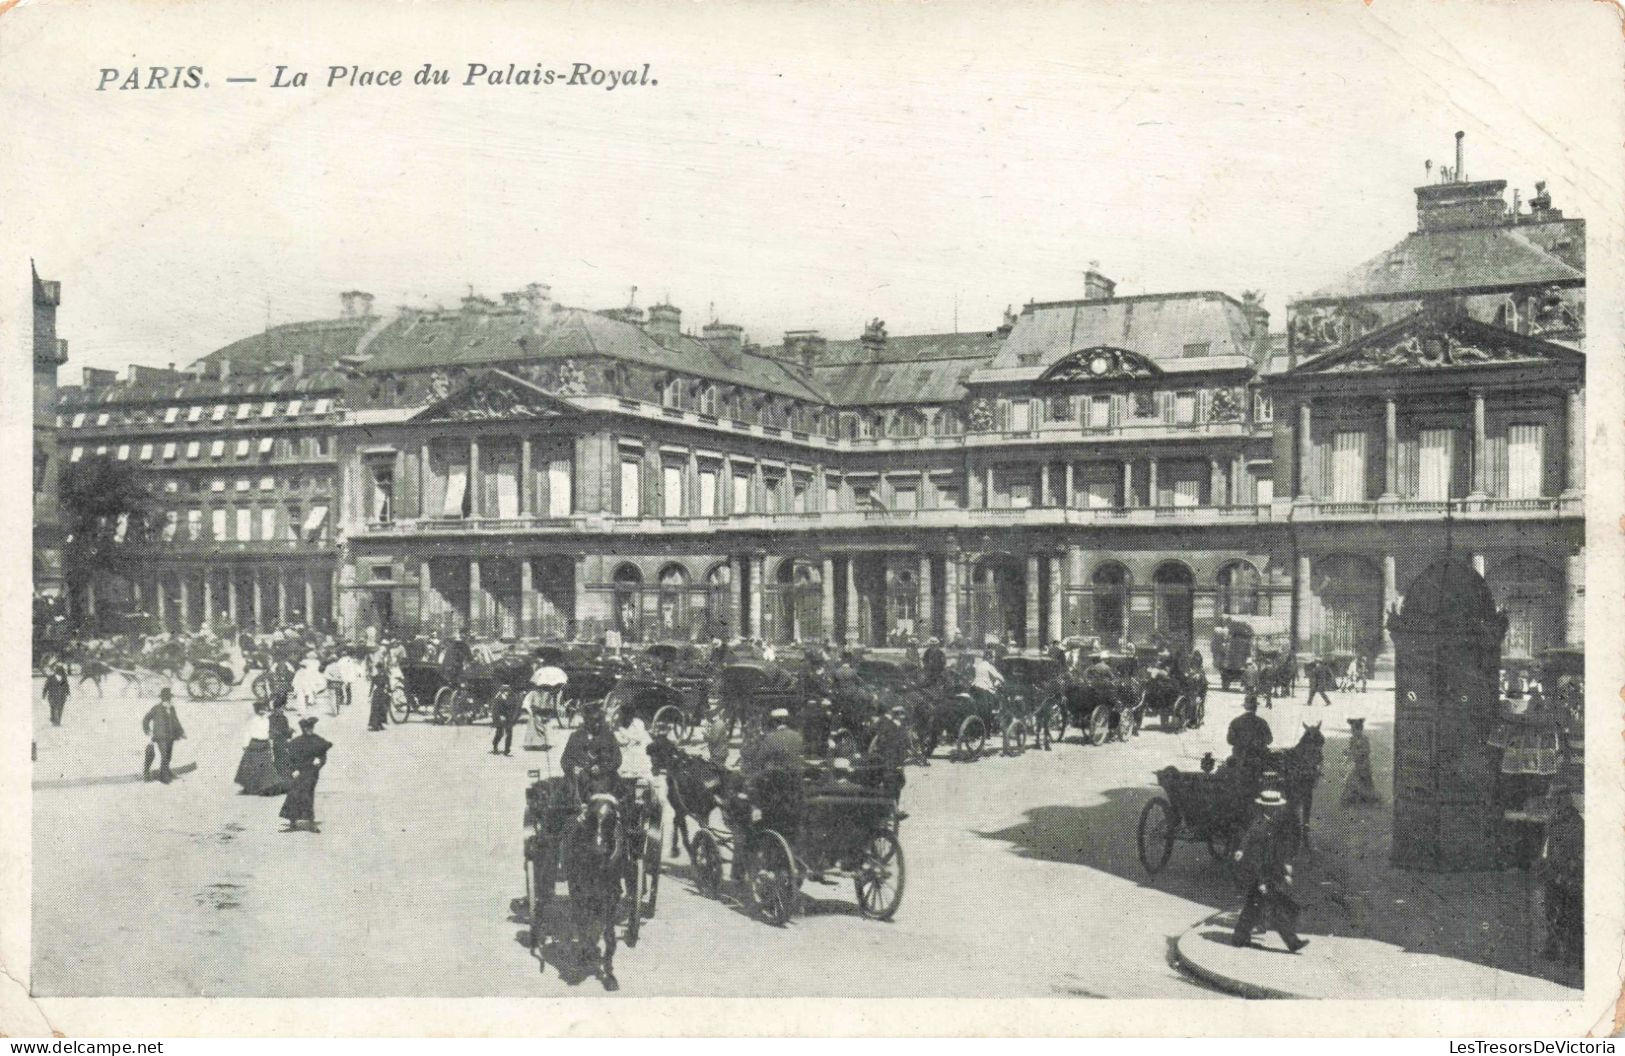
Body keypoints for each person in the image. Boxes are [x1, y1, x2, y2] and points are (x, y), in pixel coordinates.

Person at [1231, 790, 1308, 952]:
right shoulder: (1262, 826)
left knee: (1252, 908)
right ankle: (1292, 942)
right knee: (1273, 909)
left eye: (1276, 807)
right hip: (1259, 875)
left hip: (1265, 873)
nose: (1275, 810)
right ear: (1265, 807)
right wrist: (1261, 882)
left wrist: (1284, 869)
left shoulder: (1268, 823)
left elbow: (1272, 851)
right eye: (1272, 807)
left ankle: (1239, 937)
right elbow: (1257, 858)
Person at [748, 709, 805, 837]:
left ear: (774, 722)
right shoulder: (797, 736)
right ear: (786, 720)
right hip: (796, 781)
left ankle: (756, 816)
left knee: (752, 784)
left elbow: (759, 760)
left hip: (779, 781)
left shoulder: (770, 738)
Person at [560, 700, 622, 799]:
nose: (597, 724)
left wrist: (602, 769)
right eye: (593, 720)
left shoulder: (608, 737)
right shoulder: (575, 736)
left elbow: (617, 759)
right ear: (586, 720)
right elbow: (565, 760)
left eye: (599, 720)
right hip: (579, 781)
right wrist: (573, 768)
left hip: (603, 780)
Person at [279, 716, 332, 832]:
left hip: (311, 772)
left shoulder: (317, 740)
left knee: (308, 795)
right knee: (293, 795)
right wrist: (293, 770)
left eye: (311, 728)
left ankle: (310, 822)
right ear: (303, 729)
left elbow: (323, 753)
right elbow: (289, 758)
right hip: (298, 772)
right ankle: (292, 822)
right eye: (307, 728)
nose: (309, 730)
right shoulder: (296, 742)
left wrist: (319, 763)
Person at [234, 707, 287, 796]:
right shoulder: (252, 720)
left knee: (266, 767)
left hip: (265, 744)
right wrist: (245, 744)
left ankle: (266, 788)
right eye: (260, 710)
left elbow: (270, 732)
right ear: (257, 711)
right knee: (249, 766)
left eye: (264, 710)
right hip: (254, 744)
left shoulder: (267, 720)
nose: (263, 712)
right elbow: (247, 732)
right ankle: (248, 788)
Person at [142, 688, 186, 783]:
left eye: (169, 698)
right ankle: (163, 776)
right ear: (162, 699)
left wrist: (181, 732)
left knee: (168, 756)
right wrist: (147, 730)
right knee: (165, 756)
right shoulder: (156, 708)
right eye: (166, 699)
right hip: (160, 737)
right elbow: (146, 719)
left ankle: (165, 771)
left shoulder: (172, 708)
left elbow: (176, 721)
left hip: (171, 737)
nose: (168, 701)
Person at [869, 704, 910, 803]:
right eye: (901, 714)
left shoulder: (884, 724)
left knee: (885, 783)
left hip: (882, 758)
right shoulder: (899, 727)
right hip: (893, 760)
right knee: (895, 784)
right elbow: (904, 744)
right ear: (898, 715)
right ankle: (893, 809)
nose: (903, 717)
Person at [1226, 696, 1273, 772]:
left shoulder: (1235, 722)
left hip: (1239, 758)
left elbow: (1230, 740)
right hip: (1258, 758)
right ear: (1256, 708)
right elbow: (1269, 740)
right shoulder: (1262, 722)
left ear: (1245, 707)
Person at [1341, 717, 1380, 805]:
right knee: (1350, 782)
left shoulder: (1364, 739)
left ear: (1360, 730)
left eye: (1355, 730)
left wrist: (1353, 752)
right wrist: (1347, 753)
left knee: (1365, 783)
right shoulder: (1352, 739)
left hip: (1363, 765)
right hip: (1355, 765)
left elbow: (1366, 751)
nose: (1353, 732)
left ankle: (1368, 799)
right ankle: (1352, 799)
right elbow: (1351, 750)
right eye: (1352, 730)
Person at [490, 685, 522, 756]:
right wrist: (498, 717)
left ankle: (507, 749)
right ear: (502, 691)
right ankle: (495, 745)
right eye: (505, 691)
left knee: (509, 733)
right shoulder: (498, 698)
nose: (507, 692)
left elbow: (515, 707)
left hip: (509, 718)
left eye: (508, 691)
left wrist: (514, 717)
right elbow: (495, 710)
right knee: (500, 733)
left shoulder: (512, 698)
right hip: (499, 718)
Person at [366, 666, 391, 732]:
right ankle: (380, 724)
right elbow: (389, 688)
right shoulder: (386, 677)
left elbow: (371, 687)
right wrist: (389, 692)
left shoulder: (375, 677)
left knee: (375, 709)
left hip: (376, 694)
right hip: (383, 694)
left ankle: (375, 726)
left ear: (378, 669)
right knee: (382, 709)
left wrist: (369, 695)